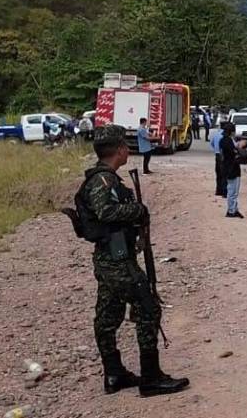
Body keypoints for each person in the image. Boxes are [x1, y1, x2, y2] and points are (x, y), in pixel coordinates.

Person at [74, 124, 189, 397]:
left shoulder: (103, 178)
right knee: (148, 310)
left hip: (109, 259)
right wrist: (137, 209)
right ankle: (151, 378)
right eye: (125, 146)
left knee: (107, 317)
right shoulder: (104, 181)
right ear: (119, 150)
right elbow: (104, 211)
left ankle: (114, 374)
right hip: (117, 261)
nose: (128, 150)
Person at [218, 122, 246, 218]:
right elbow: (233, 153)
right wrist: (239, 147)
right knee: (232, 191)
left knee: (233, 190)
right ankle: (231, 211)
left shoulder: (226, 140)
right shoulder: (227, 141)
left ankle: (234, 208)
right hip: (231, 168)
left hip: (230, 167)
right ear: (231, 132)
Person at [209, 121, 226, 197]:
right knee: (224, 173)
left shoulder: (216, 134)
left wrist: (216, 150)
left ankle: (218, 190)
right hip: (224, 155)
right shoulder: (225, 136)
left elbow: (212, 144)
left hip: (217, 155)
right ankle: (224, 191)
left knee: (218, 173)